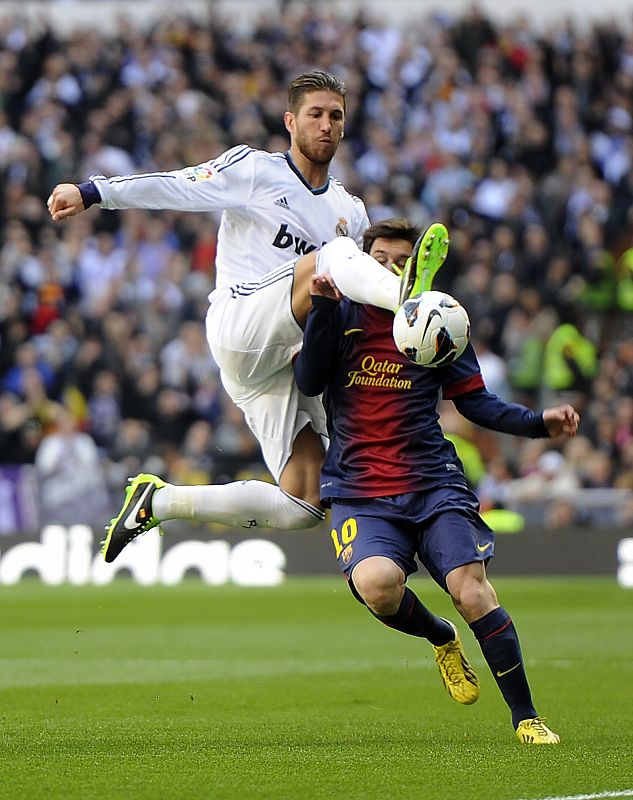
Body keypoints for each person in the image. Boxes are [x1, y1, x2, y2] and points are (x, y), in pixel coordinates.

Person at [48, 69, 448, 562]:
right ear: (290, 121)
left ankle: (161, 501)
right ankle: (409, 300)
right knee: (337, 257)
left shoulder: (350, 209)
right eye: (315, 115)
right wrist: (93, 192)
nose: (325, 125)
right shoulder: (256, 170)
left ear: (345, 126)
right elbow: (179, 186)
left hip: (281, 362)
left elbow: (353, 306)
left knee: (305, 501)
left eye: (335, 116)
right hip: (241, 325)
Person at [292, 218, 580, 744]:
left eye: (401, 261)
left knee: (471, 591)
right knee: (378, 587)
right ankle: (440, 637)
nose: (389, 268)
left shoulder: (439, 318)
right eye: (379, 258)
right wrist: (324, 311)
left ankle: (526, 718)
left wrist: (538, 424)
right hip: (359, 487)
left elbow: (475, 402)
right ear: (363, 260)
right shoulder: (343, 310)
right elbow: (309, 381)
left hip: (431, 482)